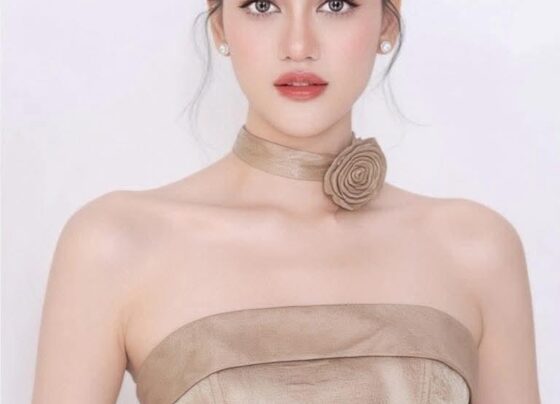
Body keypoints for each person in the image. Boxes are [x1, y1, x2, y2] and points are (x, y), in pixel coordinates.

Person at [32, 1, 541, 403]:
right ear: (219, 24)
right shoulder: (117, 244)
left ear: (388, 20)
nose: (299, 46)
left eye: (336, 4)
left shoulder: (475, 249)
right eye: (262, 5)